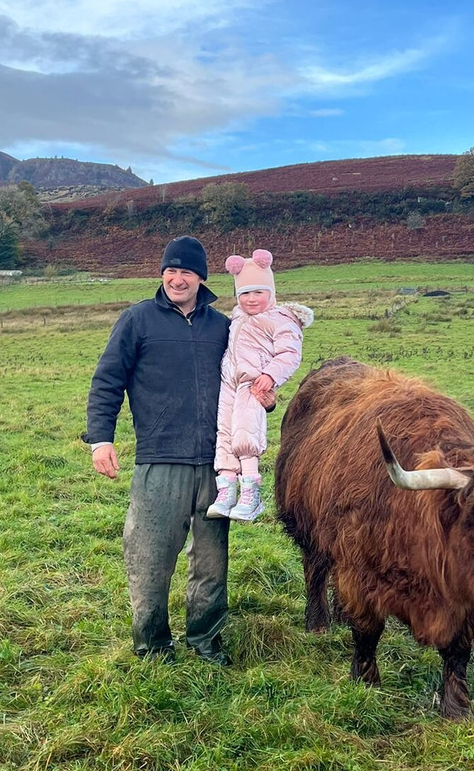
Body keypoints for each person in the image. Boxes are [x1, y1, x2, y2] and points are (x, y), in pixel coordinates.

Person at [84, 235, 271, 666]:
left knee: (211, 561)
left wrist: (267, 395)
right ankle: (152, 645)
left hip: (216, 464)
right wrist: (101, 438)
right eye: (170, 269)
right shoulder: (137, 321)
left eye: (186, 271)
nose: (176, 278)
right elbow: (107, 381)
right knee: (149, 556)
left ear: (201, 277)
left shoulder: (224, 327)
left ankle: (205, 640)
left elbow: (249, 377)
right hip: (159, 460)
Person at [207, 249, 313, 521]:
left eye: (257, 293)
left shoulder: (280, 319)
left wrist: (271, 375)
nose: (251, 299)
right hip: (228, 382)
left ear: (271, 292)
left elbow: (289, 353)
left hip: (253, 383)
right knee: (224, 431)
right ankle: (227, 488)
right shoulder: (237, 317)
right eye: (244, 294)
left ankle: (251, 491)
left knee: (245, 429)